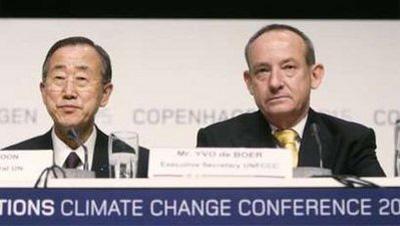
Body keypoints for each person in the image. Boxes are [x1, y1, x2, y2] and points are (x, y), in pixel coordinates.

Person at [196, 24, 385, 177]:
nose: (275, 82)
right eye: (263, 70)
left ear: (314, 75)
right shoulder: (218, 140)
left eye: (288, 67)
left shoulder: (351, 140)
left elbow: (383, 209)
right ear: (249, 82)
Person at [2, 36, 148, 178]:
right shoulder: (8, 165)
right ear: (44, 91)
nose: (69, 92)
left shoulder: (140, 165)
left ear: (105, 94)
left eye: (81, 79)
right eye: (59, 78)